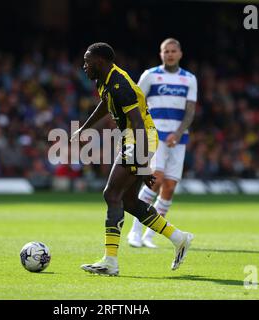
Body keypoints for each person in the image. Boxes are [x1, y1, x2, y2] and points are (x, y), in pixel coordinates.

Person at [70, 42, 193, 276]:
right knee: (129, 202)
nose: (84, 66)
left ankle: (110, 262)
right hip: (132, 138)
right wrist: (85, 128)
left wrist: (145, 164)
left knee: (111, 194)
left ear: (101, 62)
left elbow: (137, 123)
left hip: (140, 137)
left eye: (88, 61)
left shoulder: (120, 84)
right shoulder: (103, 81)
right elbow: (106, 104)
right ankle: (179, 238)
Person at [127, 38, 197, 249]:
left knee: (169, 186)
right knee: (154, 180)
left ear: (180, 53)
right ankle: (134, 232)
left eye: (173, 51)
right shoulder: (150, 75)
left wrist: (177, 133)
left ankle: (150, 234)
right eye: (166, 51)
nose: (170, 54)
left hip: (178, 139)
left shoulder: (189, 79)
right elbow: (135, 101)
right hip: (155, 135)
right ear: (161, 54)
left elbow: (190, 111)